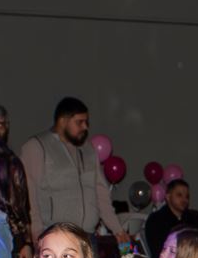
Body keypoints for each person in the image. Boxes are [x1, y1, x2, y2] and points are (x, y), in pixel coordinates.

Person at [18, 97, 122, 242]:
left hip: (88, 238)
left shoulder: (88, 149)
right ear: (62, 121)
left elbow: (101, 193)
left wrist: (118, 229)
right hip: (56, 238)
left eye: (86, 122)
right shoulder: (36, 146)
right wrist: (36, 235)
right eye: (79, 122)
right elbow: (29, 195)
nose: (85, 127)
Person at [142, 178, 198, 258]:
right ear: (168, 197)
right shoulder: (156, 220)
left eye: (187, 196)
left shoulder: (194, 217)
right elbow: (159, 251)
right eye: (179, 195)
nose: (184, 199)